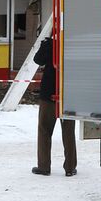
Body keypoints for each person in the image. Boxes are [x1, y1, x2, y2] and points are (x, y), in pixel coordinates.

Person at [31, 32, 76, 177]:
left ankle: (44, 167)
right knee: (68, 132)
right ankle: (70, 167)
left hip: (48, 92)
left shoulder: (49, 44)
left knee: (44, 129)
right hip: (69, 91)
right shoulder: (73, 44)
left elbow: (37, 60)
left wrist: (45, 44)